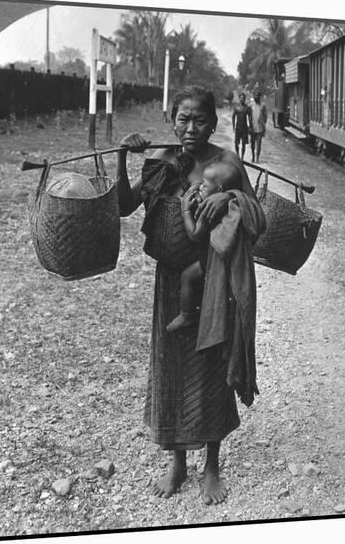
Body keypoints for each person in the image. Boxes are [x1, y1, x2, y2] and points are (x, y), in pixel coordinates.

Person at [116, 85, 266, 505]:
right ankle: (177, 463)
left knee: (211, 364)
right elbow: (124, 206)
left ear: (215, 123)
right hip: (170, 282)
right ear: (172, 120)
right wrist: (123, 157)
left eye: (200, 119)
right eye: (183, 119)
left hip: (215, 278)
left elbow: (258, 217)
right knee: (170, 366)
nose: (190, 128)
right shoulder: (161, 162)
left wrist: (229, 199)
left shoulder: (227, 163)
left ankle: (212, 466)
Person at [166, 161, 242, 333]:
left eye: (204, 186)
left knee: (187, 276)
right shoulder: (228, 207)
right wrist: (199, 188)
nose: (200, 188)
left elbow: (195, 234)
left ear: (219, 191)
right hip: (219, 259)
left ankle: (186, 316)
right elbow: (200, 186)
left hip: (209, 260)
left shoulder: (209, 211)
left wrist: (185, 210)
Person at [250, 85, 268, 163]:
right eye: (255, 95)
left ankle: (257, 158)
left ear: (260, 96)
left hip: (260, 128)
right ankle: (253, 157)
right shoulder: (251, 105)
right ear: (253, 96)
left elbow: (265, 116)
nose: (256, 96)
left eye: (257, 95)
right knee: (252, 143)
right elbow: (249, 116)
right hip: (252, 128)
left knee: (259, 144)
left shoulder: (263, 106)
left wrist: (263, 125)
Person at [231, 93, 252, 160]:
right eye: (241, 98)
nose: (242, 99)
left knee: (243, 144)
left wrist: (250, 126)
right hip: (238, 127)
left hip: (244, 128)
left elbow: (250, 117)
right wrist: (233, 126)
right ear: (239, 98)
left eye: (243, 98)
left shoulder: (247, 108)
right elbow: (233, 116)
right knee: (236, 143)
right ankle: (237, 155)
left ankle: (242, 157)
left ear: (245, 99)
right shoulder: (236, 107)